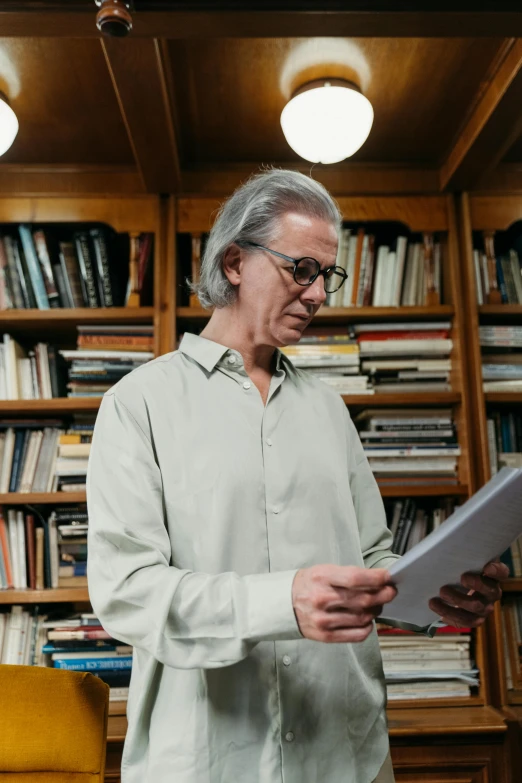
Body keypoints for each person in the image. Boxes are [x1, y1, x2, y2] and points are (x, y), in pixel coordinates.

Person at [86, 169, 508, 783]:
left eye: (326, 277)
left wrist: (436, 595)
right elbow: (128, 589)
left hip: (343, 752)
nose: (317, 295)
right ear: (235, 261)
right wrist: (282, 601)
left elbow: (371, 558)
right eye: (301, 270)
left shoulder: (329, 409)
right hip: (209, 759)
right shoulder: (138, 402)